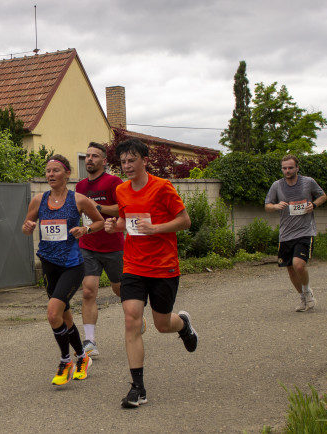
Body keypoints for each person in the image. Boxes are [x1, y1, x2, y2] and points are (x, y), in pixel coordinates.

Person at [103, 138, 198, 408]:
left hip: (163, 266)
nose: (127, 165)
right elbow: (126, 221)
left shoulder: (162, 187)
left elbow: (185, 220)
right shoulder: (122, 190)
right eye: (123, 162)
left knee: (161, 324)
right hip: (133, 265)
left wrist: (156, 228)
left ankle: (183, 324)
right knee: (131, 320)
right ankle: (138, 388)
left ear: (144, 160)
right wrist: (114, 226)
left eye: (132, 160)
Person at [22, 154, 105, 385]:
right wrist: (27, 227)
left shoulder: (78, 200)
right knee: (64, 315)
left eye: (56, 170)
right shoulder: (39, 200)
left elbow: (98, 222)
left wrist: (85, 230)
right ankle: (82, 357)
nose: (51, 175)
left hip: (72, 265)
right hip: (49, 264)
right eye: (48, 171)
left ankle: (65, 360)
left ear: (67, 173)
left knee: (52, 313)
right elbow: (27, 227)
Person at [75, 142, 128, 358]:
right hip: (88, 246)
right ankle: (89, 341)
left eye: (94, 156)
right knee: (88, 291)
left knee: (120, 290)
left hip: (113, 246)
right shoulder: (79, 187)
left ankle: (134, 315)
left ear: (104, 161)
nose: (89, 159)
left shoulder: (113, 182)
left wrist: (96, 207)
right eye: (87, 156)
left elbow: (123, 207)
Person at [264, 154, 327, 312]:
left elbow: (323, 196)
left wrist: (314, 205)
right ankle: (302, 297)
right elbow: (267, 206)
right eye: (284, 168)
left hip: (305, 231)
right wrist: (276, 206)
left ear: (297, 168)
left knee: (299, 265)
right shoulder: (277, 186)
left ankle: (308, 293)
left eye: (290, 168)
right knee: (290, 268)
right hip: (286, 234)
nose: (287, 171)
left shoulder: (308, 182)